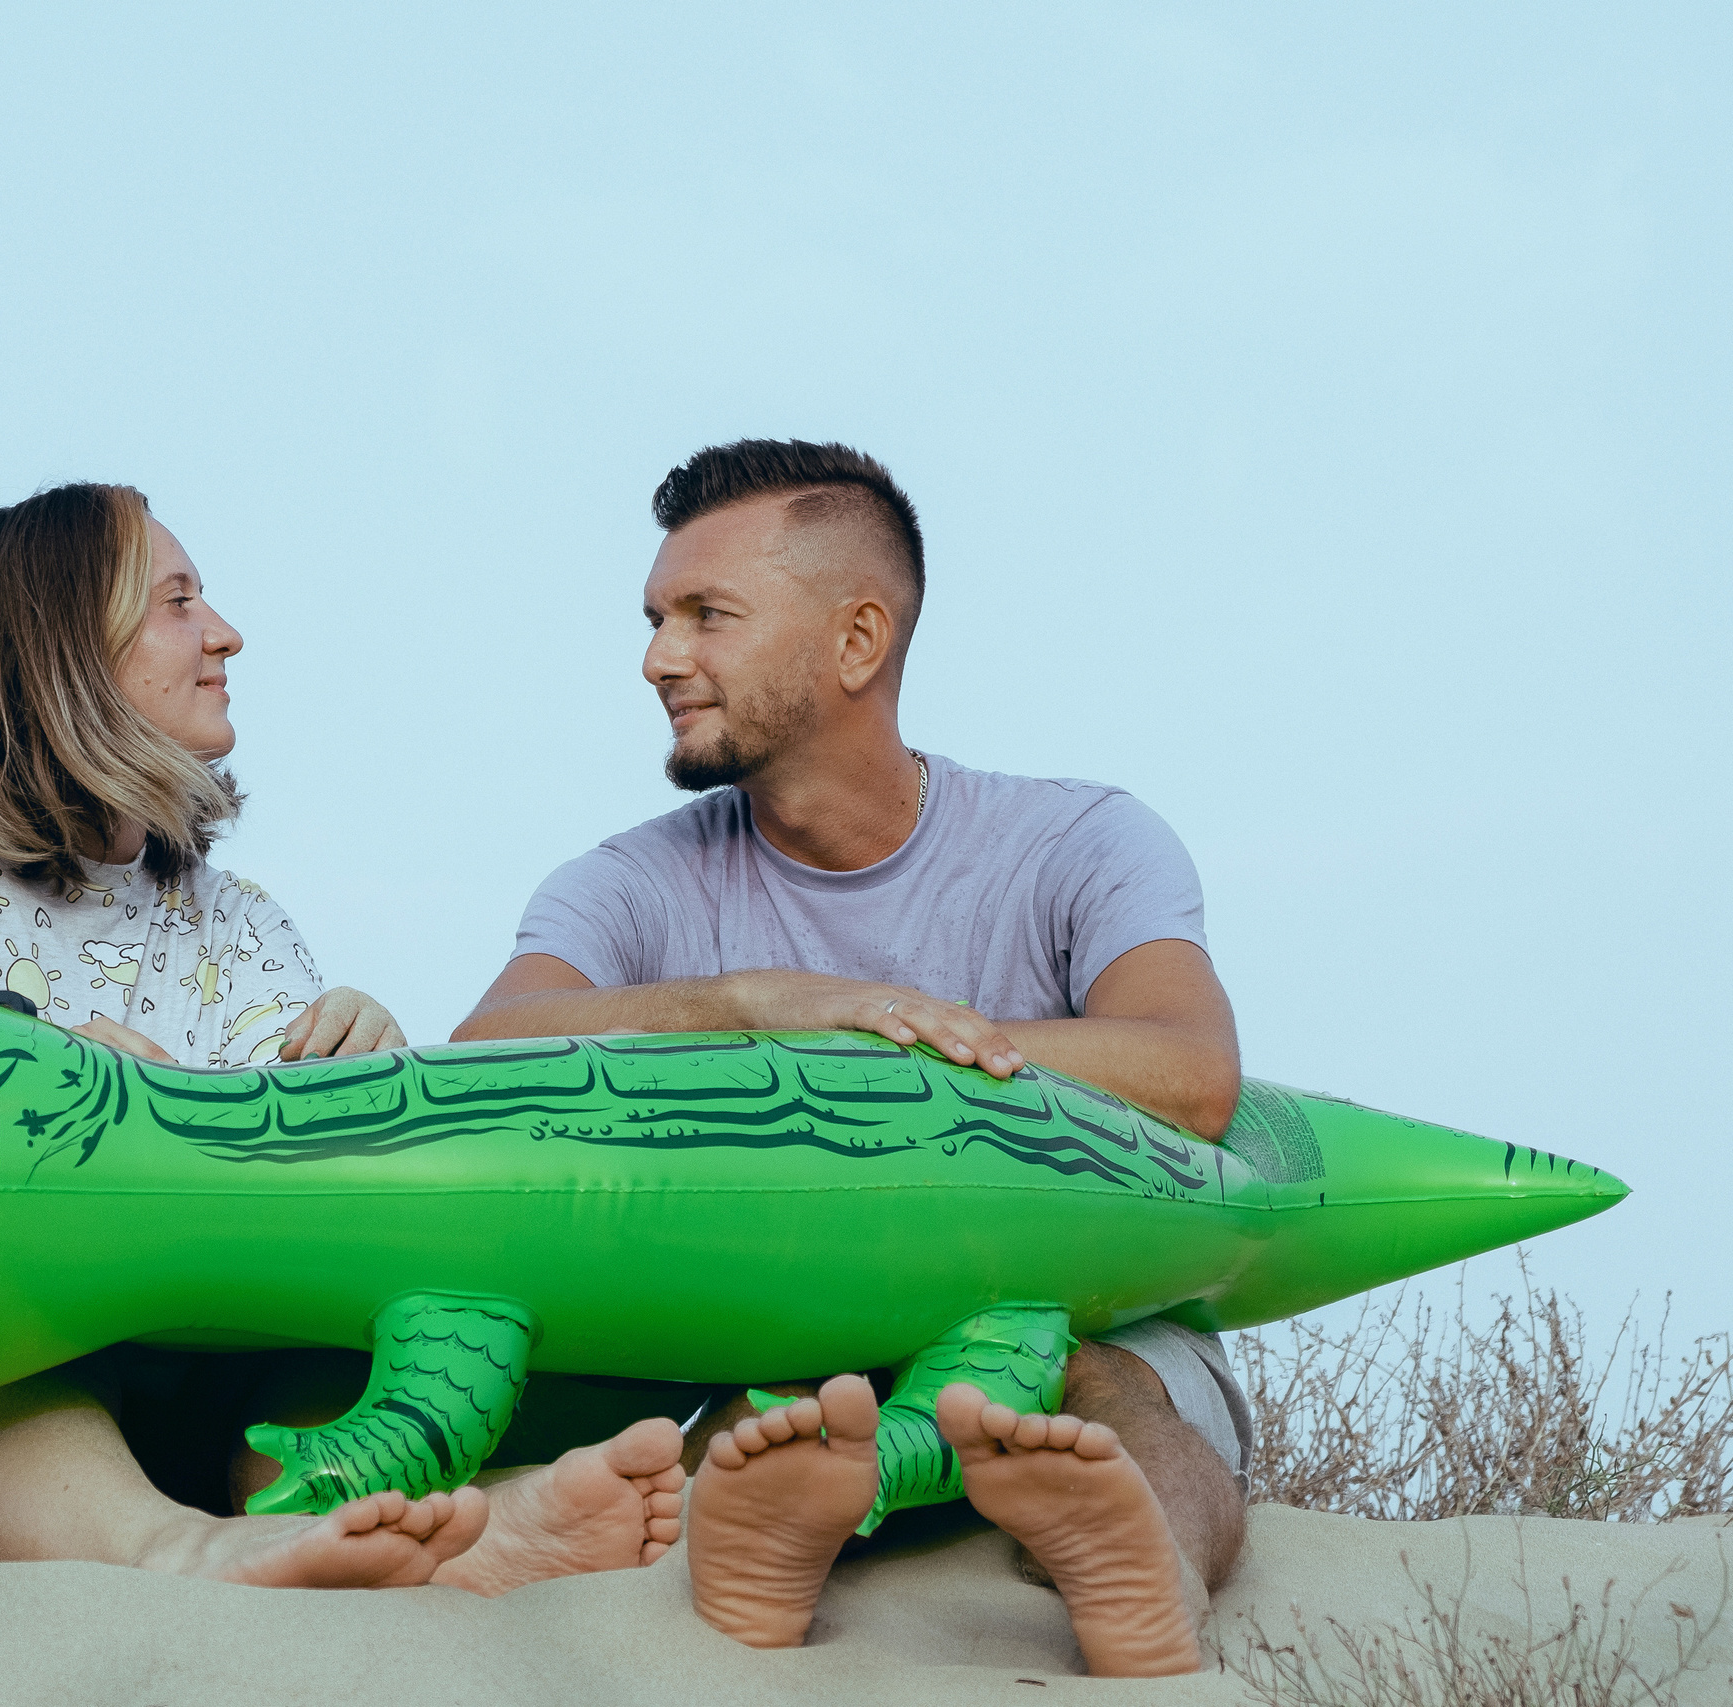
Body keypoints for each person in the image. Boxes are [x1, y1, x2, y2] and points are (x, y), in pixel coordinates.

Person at [0, 483, 684, 1592]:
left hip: (126, 1357)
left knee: (312, 1364)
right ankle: (190, 1556)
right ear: (60, 652)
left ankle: (442, 1532)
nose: (225, 633)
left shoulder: (237, 921)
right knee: (9, 1358)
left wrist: (364, 1080)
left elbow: (297, 1219)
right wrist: (37, 1084)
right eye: (177, 601)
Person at [452, 440, 1247, 1674]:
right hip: (778, 1335)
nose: (659, 657)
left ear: (858, 642)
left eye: (707, 615)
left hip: (1080, 1317)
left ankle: (1155, 1595)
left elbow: (1190, 1074)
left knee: (1100, 1386)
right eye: (658, 617)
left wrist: (892, 1046)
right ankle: (754, 1592)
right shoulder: (628, 883)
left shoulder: (1078, 840)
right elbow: (483, 1049)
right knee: (756, 1412)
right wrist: (751, 1004)